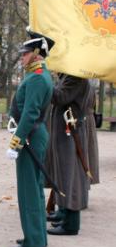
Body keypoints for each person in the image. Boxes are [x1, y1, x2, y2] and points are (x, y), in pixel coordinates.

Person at [7, 32, 54, 247]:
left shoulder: (36, 77)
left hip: (30, 136)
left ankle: (34, 241)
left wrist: (16, 141)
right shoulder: (39, 74)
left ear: (36, 54)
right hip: (34, 134)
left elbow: (30, 113)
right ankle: (37, 236)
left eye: (25, 54)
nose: (22, 57)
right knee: (34, 187)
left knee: (29, 189)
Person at [46, 74, 91, 236]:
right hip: (67, 133)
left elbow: (60, 97)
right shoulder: (70, 76)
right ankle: (64, 213)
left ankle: (71, 224)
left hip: (70, 134)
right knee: (64, 175)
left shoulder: (75, 77)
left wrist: (46, 84)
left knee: (70, 177)